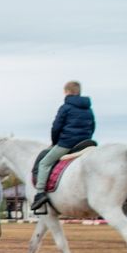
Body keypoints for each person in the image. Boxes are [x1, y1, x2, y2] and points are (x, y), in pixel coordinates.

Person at [31, 81, 96, 211]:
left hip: (68, 143)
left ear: (66, 92)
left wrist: (55, 142)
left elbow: (56, 127)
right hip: (85, 143)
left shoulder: (65, 107)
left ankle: (40, 193)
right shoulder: (88, 108)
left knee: (44, 163)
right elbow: (93, 126)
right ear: (79, 91)